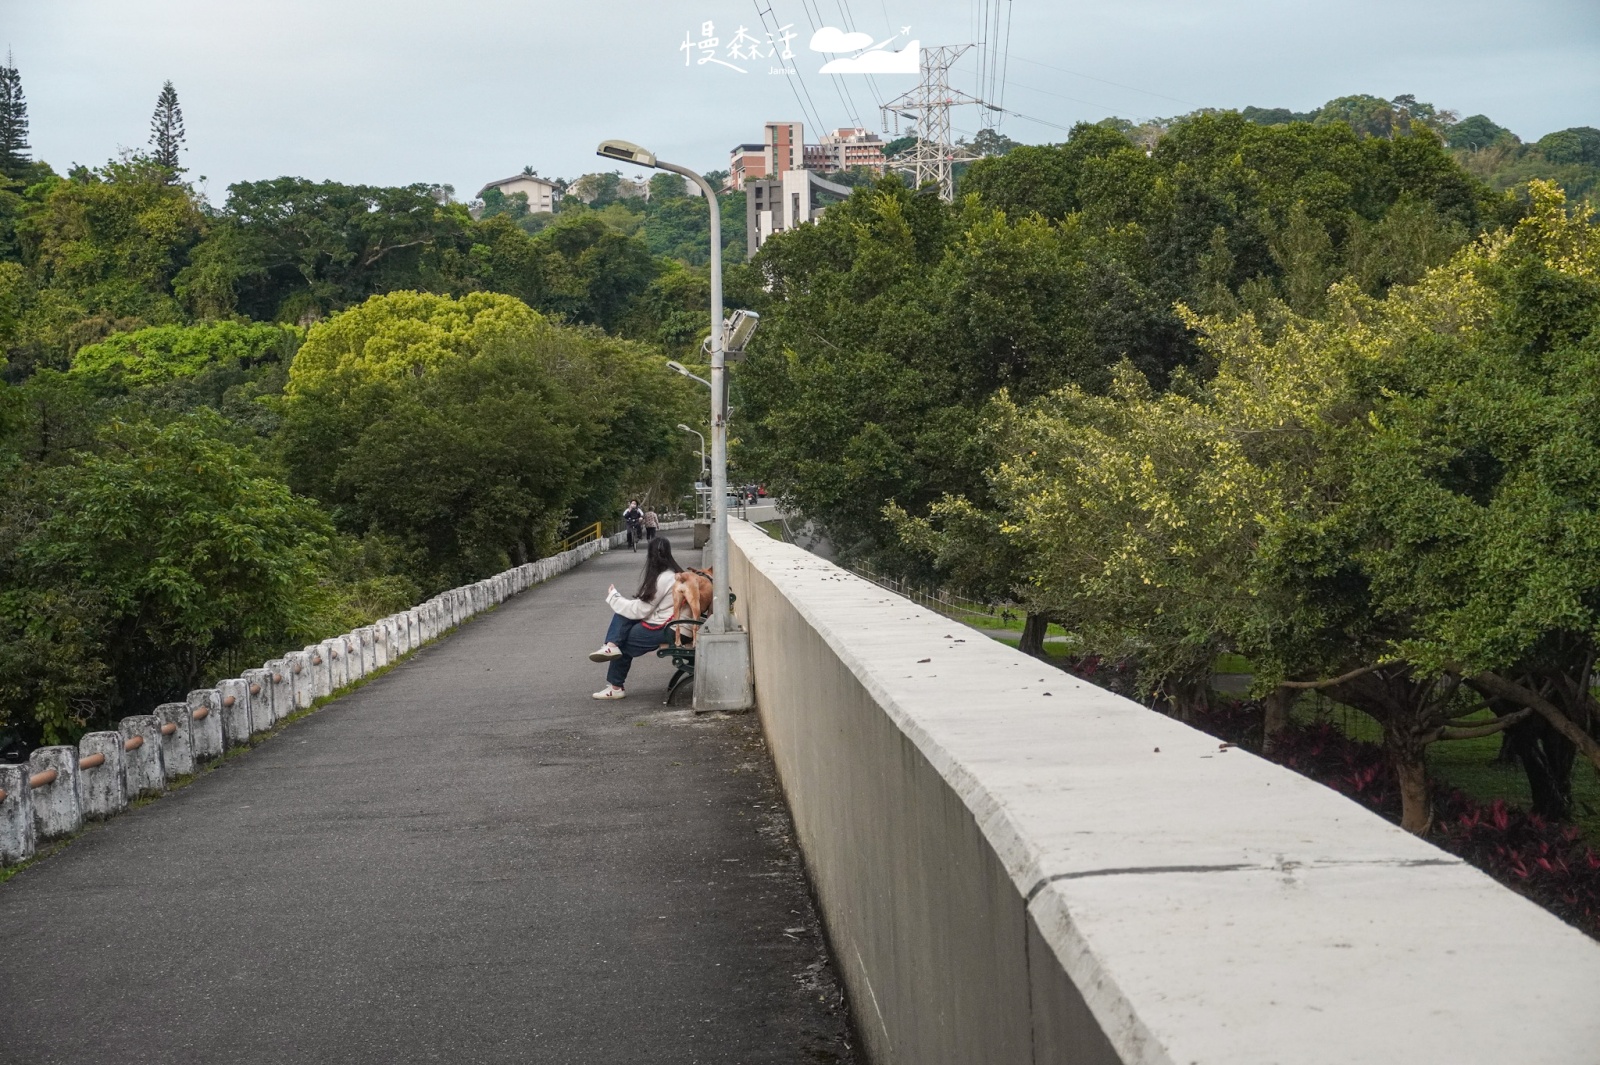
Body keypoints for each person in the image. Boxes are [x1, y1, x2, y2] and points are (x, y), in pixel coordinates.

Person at [588, 536, 681, 699]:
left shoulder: (664, 578)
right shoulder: (674, 574)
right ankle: (611, 645)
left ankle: (615, 685)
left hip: (670, 628)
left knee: (623, 639)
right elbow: (643, 607)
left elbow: (641, 610)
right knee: (624, 615)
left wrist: (614, 597)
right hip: (676, 623)